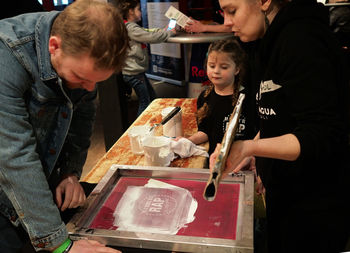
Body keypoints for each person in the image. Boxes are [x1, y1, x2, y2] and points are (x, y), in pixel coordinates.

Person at [210, 0, 350, 252]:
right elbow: (280, 115)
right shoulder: (263, 42)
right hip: (284, 194)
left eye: (232, 11)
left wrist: (247, 147)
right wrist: (256, 151)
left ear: (263, 2)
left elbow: (321, 134)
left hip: (314, 205)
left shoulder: (303, 42)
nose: (227, 22)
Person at [0, 0, 129, 252]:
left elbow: (82, 120)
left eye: (96, 82)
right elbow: (14, 156)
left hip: (35, 181)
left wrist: (69, 173)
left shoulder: (78, 51)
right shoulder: (8, 55)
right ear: (54, 46)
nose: (90, 89)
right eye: (81, 78)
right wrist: (61, 246)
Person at [178, 38, 254, 157]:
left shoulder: (248, 98)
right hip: (215, 159)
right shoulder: (204, 97)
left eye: (224, 67)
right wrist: (187, 141)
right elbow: (205, 131)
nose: (216, 71)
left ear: (237, 69)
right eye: (212, 66)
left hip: (243, 162)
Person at [117, 0, 176, 116]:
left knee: (151, 99)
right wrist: (169, 33)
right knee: (146, 102)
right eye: (138, 9)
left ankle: (148, 123)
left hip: (135, 71)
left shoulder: (129, 27)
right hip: (134, 73)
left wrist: (164, 30)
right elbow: (150, 37)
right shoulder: (131, 28)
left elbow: (148, 32)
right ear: (131, 11)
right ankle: (141, 127)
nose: (141, 11)